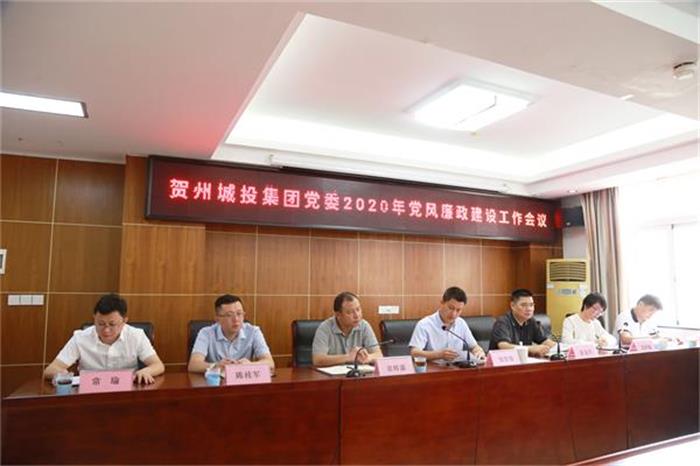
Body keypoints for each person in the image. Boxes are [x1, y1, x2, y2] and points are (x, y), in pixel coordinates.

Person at [43, 294, 165, 384]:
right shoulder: (80, 338)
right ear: (94, 319)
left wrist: (146, 371)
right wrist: (61, 373)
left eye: (112, 324)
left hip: (126, 391)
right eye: (100, 324)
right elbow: (50, 370)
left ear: (124, 321)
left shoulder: (136, 336)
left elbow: (158, 365)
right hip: (90, 392)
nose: (106, 330)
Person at [188, 294, 275, 373]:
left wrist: (250, 365)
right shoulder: (206, 333)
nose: (236, 319)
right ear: (217, 319)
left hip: (243, 381)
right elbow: (193, 365)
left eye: (239, 313)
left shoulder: (253, 331)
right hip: (216, 382)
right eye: (229, 315)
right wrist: (216, 366)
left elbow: (270, 363)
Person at [409, 286, 485, 363]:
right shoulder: (424, 324)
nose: (453, 314)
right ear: (442, 303)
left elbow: (474, 346)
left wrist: (478, 351)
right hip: (433, 368)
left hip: (457, 367)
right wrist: (438, 355)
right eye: (451, 308)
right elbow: (414, 353)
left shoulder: (461, 323)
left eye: (458, 310)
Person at [312, 291, 382, 366]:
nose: (357, 315)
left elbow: (379, 355)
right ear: (338, 315)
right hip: (333, 373)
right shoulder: (325, 328)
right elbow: (318, 360)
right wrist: (348, 357)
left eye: (358, 309)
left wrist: (367, 357)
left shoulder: (364, 326)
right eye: (350, 312)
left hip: (358, 372)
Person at [489, 288, 556, 357]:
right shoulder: (502, 322)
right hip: (503, 361)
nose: (529, 309)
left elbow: (544, 341)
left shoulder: (531, 321)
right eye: (523, 305)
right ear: (512, 306)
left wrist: (559, 347)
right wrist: (530, 349)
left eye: (531, 305)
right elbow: (503, 346)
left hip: (524, 360)